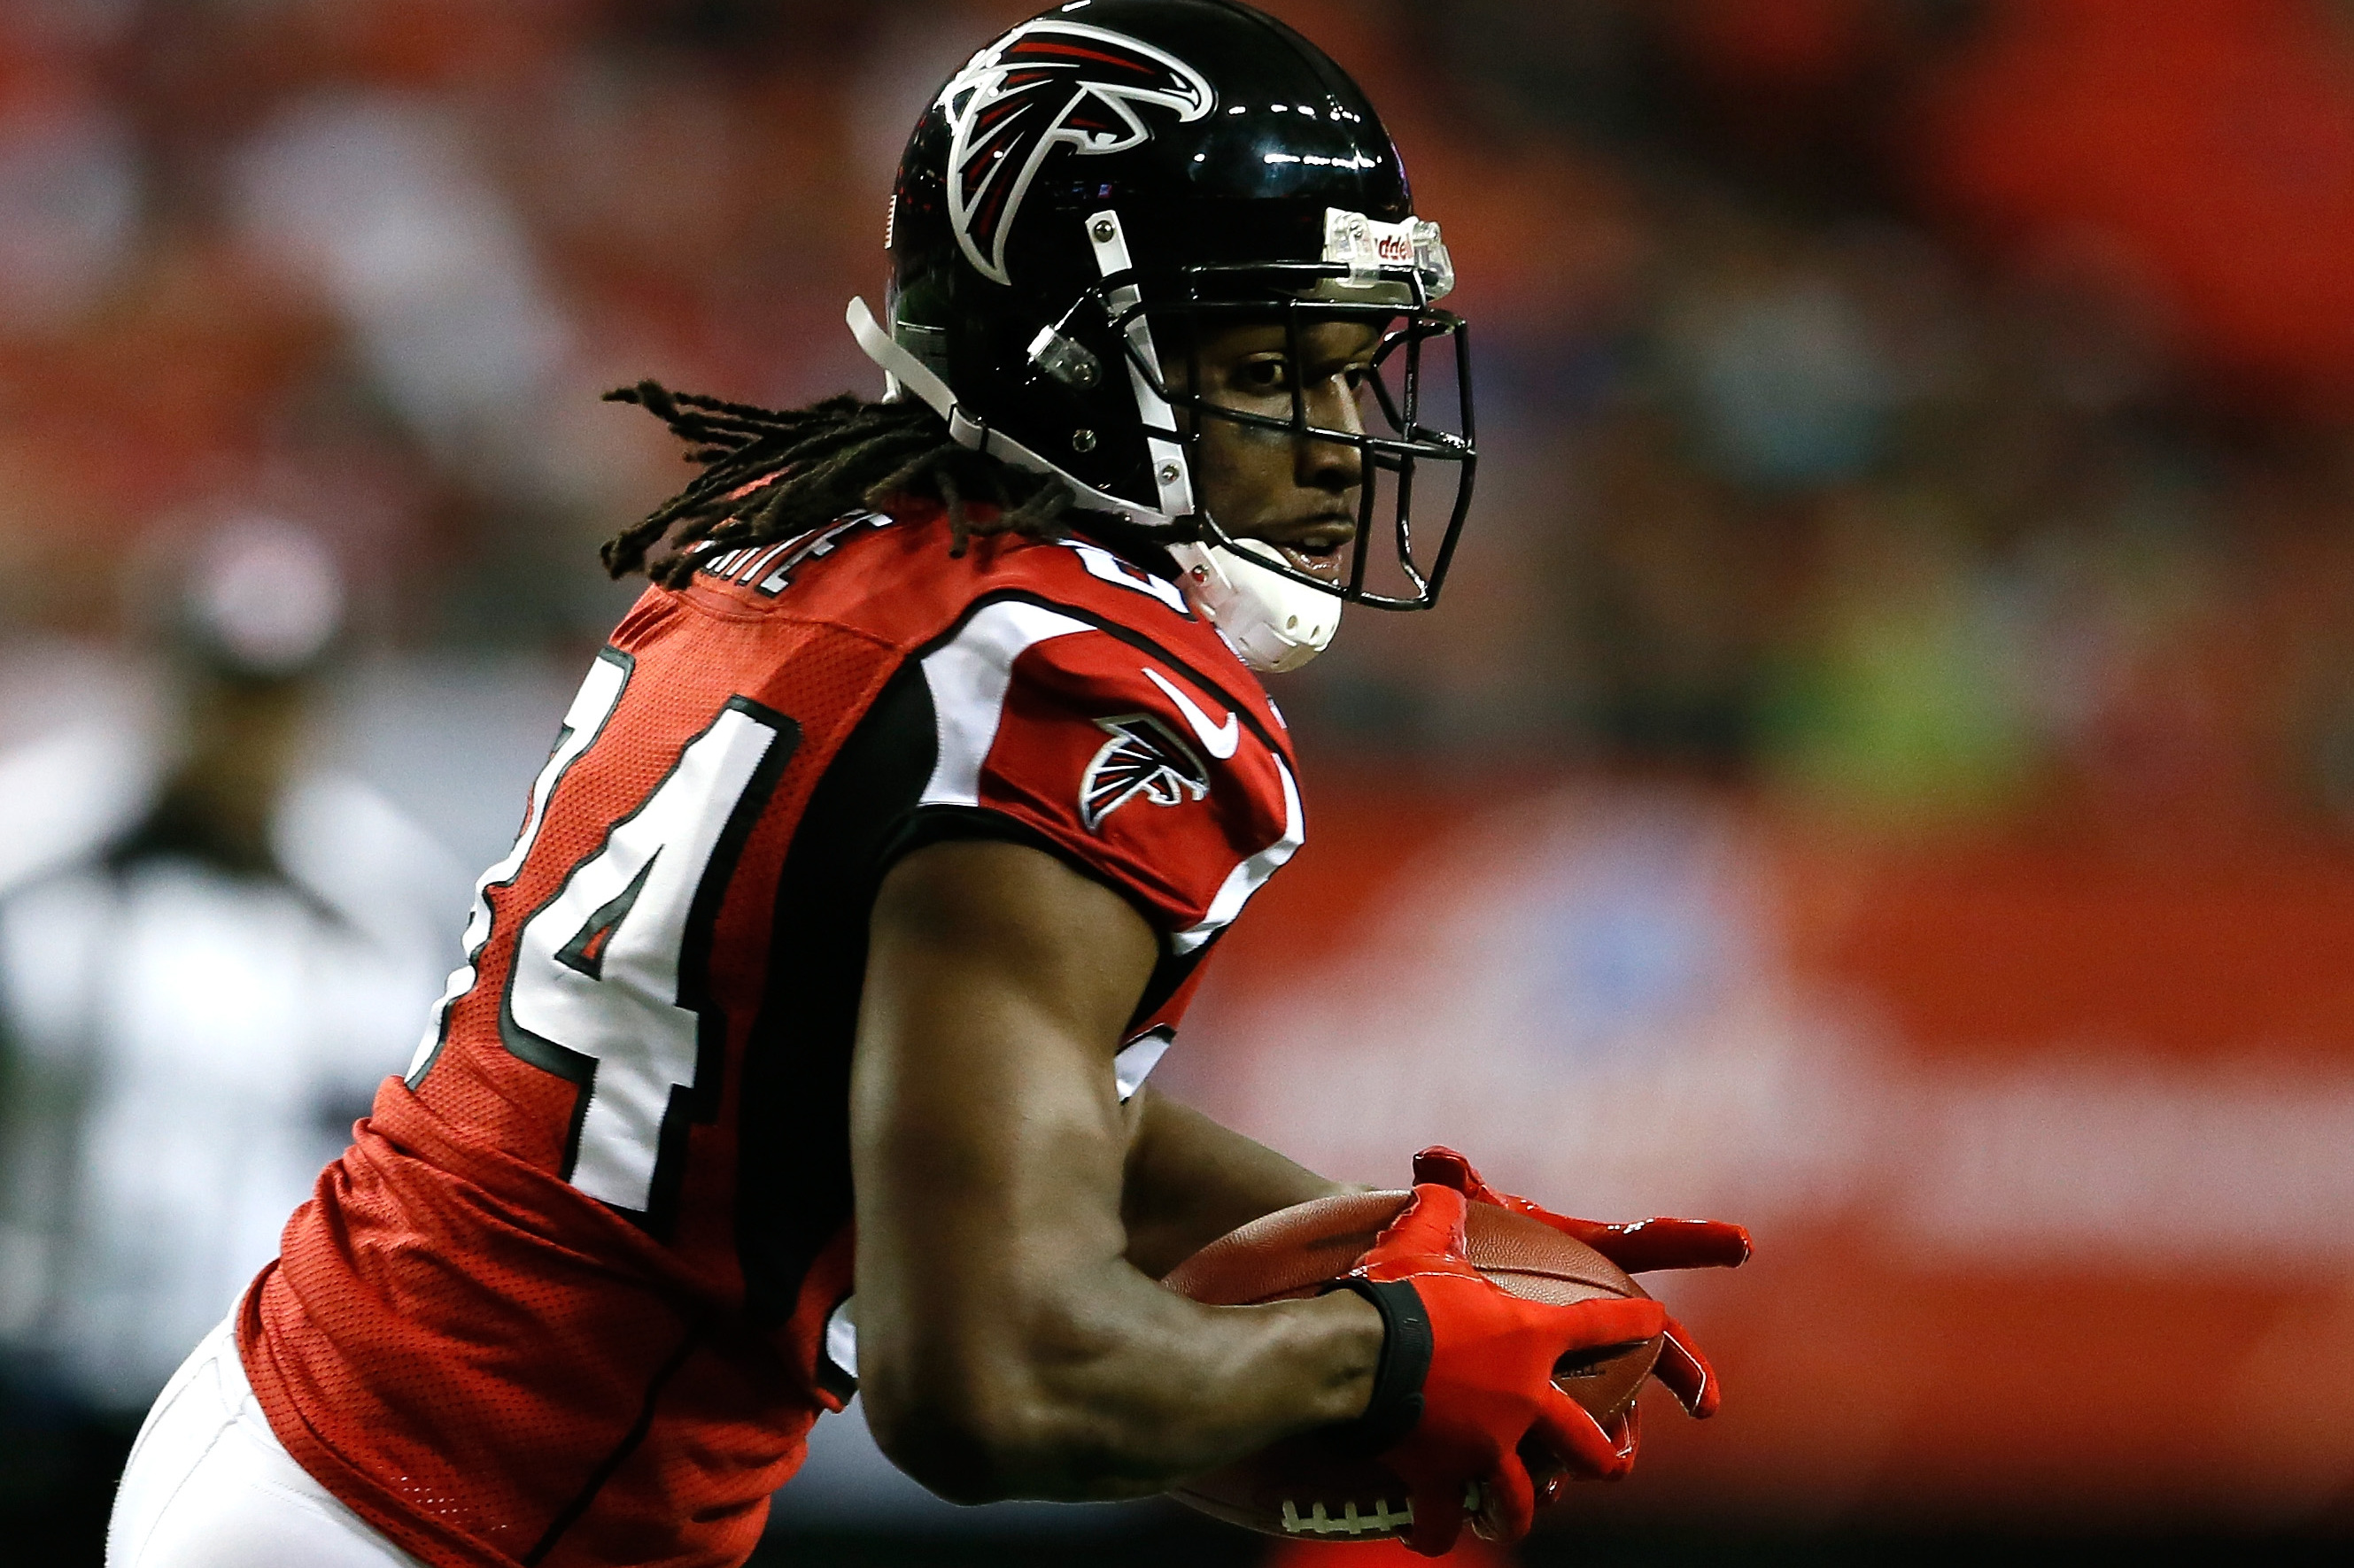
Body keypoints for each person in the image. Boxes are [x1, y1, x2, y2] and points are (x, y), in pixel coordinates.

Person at [105, 4, 1749, 1565]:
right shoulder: (1085, 695)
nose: (1335, 437)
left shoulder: (820, 558)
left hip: (305, 1416)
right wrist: (1377, 1355)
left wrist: (1402, 1241)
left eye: (1349, 364)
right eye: (1266, 369)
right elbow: (983, 1383)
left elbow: (939, 1094)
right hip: (455, 1511)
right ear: (1069, 359)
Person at [0, 519, 464, 1556]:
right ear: (160, 675)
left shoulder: (389, 899)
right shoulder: (26, 855)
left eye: (276, 696)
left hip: (262, 1419)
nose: (243, 728)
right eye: (221, 688)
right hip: (35, 1396)